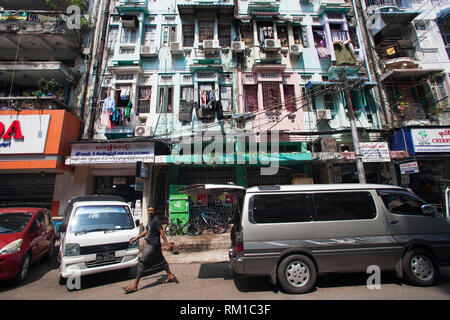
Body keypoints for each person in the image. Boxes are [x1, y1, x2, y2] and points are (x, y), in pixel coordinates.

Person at [123, 206, 177, 294]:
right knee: (161, 260)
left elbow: (161, 233)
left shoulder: (156, 220)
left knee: (142, 262)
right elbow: (146, 230)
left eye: (152, 210)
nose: (150, 211)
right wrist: (136, 238)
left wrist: (167, 244)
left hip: (153, 245)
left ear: (154, 211)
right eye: (149, 210)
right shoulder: (150, 219)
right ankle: (170, 275)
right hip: (151, 244)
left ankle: (135, 286)